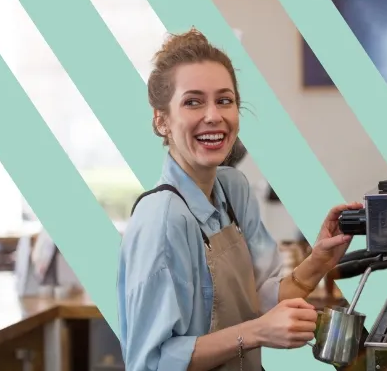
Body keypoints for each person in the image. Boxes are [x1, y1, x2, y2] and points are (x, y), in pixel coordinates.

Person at [116, 28, 363, 371]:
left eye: (224, 100)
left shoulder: (233, 189)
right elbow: (152, 362)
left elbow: (257, 301)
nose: (213, 115)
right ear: (162, 121)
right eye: (193, 102)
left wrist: (319, 261)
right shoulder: (162, 219)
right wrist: (258, 332)